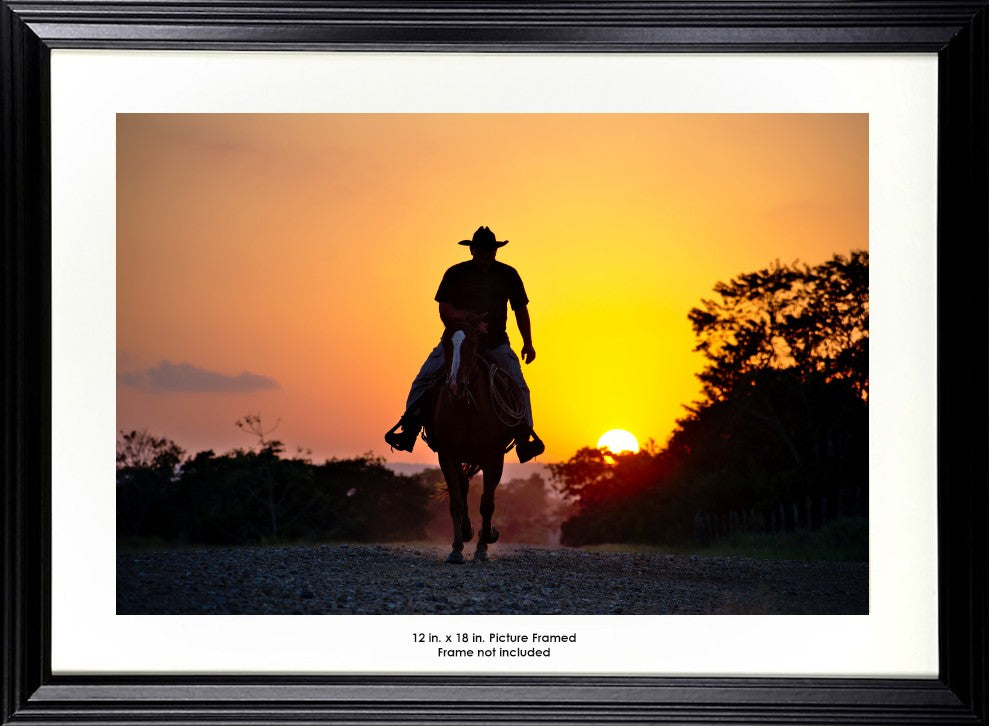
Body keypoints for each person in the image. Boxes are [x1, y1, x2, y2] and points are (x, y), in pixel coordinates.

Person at [384, 225, 545, 463]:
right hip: (458, 341)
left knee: (519, 385)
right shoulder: (455, 273)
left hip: (495, 343)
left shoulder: (509, 274)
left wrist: (528, 343)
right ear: (472, 250)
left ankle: (524, 439)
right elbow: (444, 308)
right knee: (424, 378)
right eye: (480, 250)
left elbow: (520, 309)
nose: (485, 254)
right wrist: (469, 320)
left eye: (489, 250)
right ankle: (410, 430)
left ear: (496, 251)